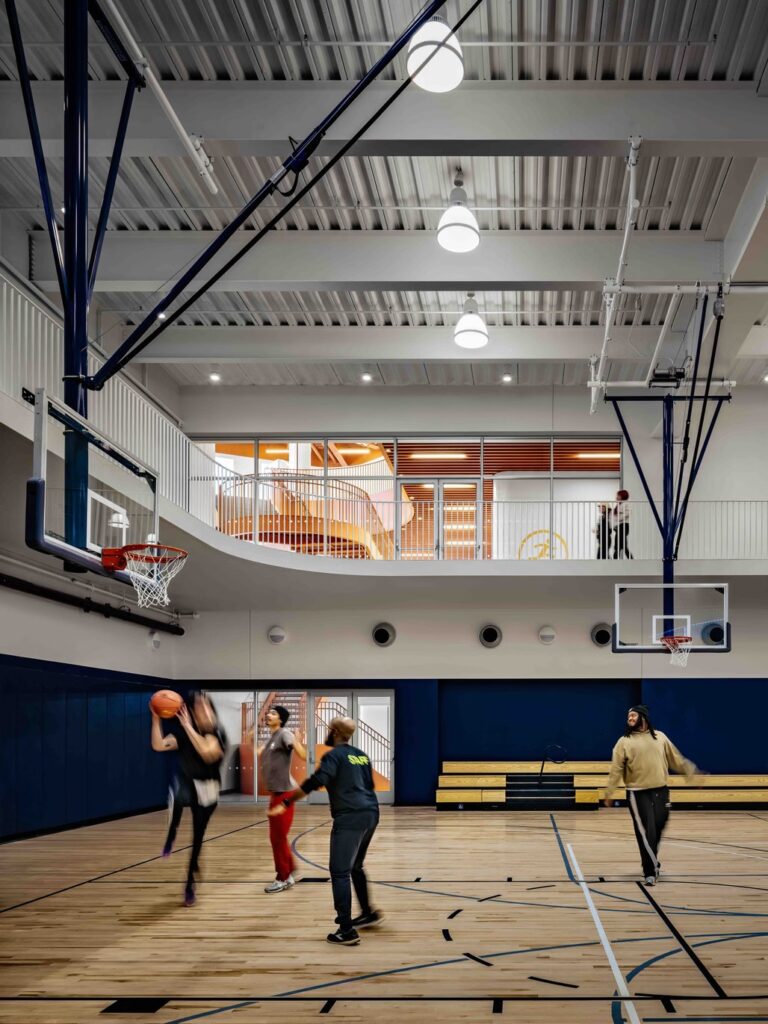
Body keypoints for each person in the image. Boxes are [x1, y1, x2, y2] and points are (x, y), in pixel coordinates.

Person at [268, 716, 382, 945]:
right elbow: (369, 786)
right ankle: (368, 912)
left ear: (334, 731)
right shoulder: (361, 755)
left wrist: (287, 802)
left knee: (340, 872)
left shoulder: (333, 756)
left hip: (349, 817)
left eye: (329, 728)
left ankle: (346, 930)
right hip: (371, 813)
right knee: (356, 866)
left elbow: (314, 782)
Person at [603, 704, 697, 885]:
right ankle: (650, 871)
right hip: (637, 794)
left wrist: (691, 773)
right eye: (628, 716)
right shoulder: (623, 742)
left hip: (661, 791)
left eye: (633, 716)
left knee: (658, 829)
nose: (629, 719)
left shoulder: (660, 737)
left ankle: (652, 860)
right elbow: (616, 769)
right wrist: (609, 792)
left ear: (643, 718)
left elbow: (676, 759)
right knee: (646, 833)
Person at [151, 691, 226, 907]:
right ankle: (171, 834)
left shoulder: (217, 734)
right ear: (192, 711)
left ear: (212, 711)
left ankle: (190, 882)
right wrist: (156, 718)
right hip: (188, 783)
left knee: (198, 836)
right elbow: (158, 745)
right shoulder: (184, 734)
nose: (203, 710)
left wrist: (187, 727)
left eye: (206, 707)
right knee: (180, 792)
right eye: (198, 707)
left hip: (209, 789)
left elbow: (206, 752)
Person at [258, 705, 307, 893]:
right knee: (279, 837)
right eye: (269, 712)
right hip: (276, 794)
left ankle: (283, 878)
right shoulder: (272, 737)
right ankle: (292, 869)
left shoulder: (284, 734)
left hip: (284, 794)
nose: (269, 715)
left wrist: (298, 741)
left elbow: (302, 755)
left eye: (274, 713)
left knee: (276, 838)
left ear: (281, 719)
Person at [612, 489, 632, 559]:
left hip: (624, 525)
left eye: (618, 495)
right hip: (619, 526)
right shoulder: (618, 505)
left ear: (622, 496)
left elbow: (627, 513)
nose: (616, 497)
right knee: (621, 545)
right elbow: (615, 517)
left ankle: (632, 561)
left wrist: (619, 517)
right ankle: (632, 560)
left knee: (620, 545)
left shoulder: (626, 503)